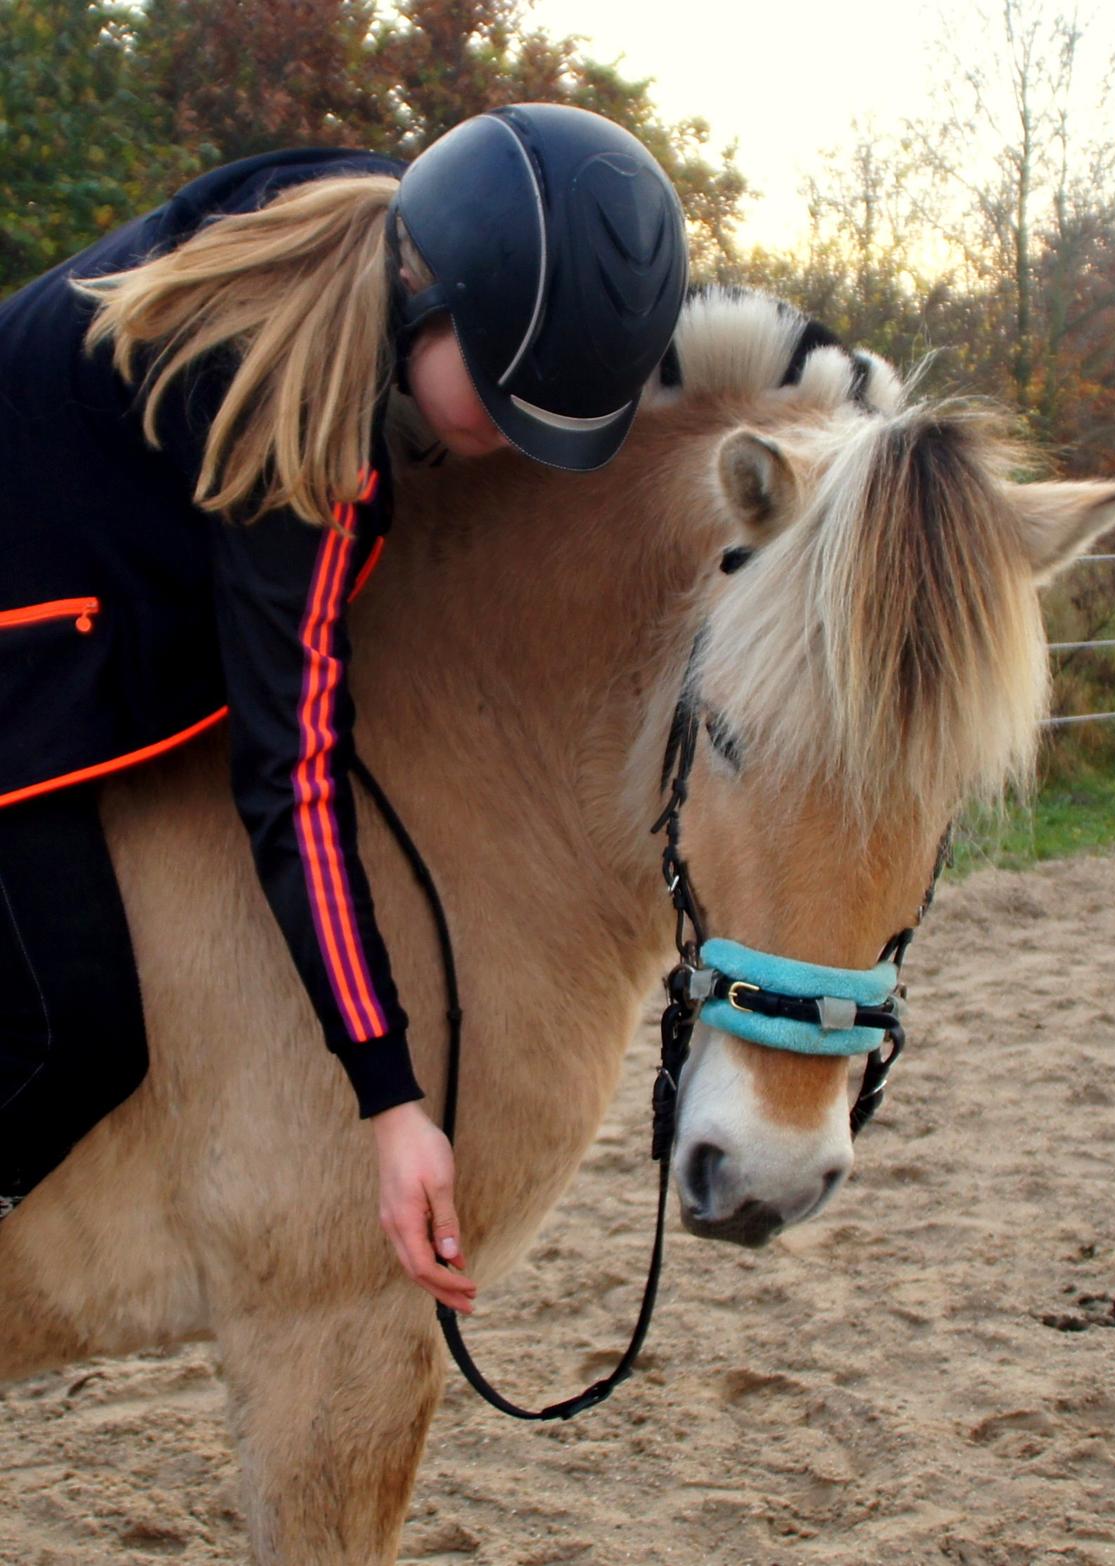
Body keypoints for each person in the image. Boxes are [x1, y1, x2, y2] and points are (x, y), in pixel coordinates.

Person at [0, 104, 687, 1313]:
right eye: (503, 399)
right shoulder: (292, 422)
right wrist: (390, 1098)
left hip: (68, 538)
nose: (510, 443)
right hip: (23, 602)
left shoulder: (380, 212)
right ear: (433, 306)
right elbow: (294, 776)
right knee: (75, 1030)